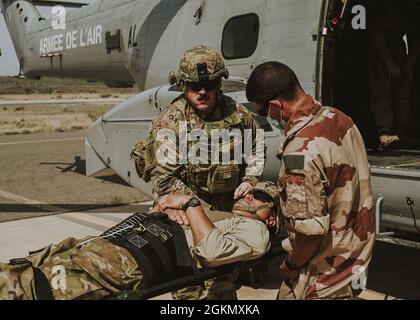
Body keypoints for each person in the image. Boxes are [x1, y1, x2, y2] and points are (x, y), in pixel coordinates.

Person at [132, 45, 263, 299]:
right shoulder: (170, 122)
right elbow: (165, 180)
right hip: (186, 218)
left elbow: (257, 147)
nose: (203, 92)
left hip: (224, 218)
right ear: (183, 85)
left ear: (219, 84)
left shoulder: (237, 115)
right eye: (195, 86)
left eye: (210, 84)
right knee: (188, 289)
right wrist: (198, 211)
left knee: (223, 285)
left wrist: (250, 178)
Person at [0, 182, 279, 300]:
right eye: (250, 193)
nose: (250, 197)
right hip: (114, 241)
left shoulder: (256, 231)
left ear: (271, 219)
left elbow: (213, 250)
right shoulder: (217, 214)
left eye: (262, 198)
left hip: (128, 259)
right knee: (24, 270)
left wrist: (189, 203)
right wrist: (169, 208)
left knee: (36, 288)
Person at [246, 61, 376, 300]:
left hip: (322, 275)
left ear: (276, 105)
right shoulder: (339, 117)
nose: (267, 116)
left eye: (264, 111)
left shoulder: (299, 153)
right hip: (354, 259)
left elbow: (310, 232)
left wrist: (292, 265)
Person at [369, 0, 420, 149]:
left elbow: (417, 38)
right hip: (383, 49)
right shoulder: (392, 7)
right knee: (381, 92)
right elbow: (376, 33)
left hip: (399, 50)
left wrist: (410, 61)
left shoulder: (413, 10)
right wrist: (387, 60)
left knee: (404, 93)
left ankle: (401, 133)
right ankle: (384, 133)